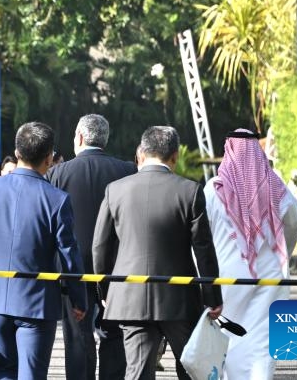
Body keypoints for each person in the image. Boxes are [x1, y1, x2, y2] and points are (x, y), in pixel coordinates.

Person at [93, 126, 222, 380]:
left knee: (138, 371)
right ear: (174, 156)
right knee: (191, 368)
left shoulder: (115, 190)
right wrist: (212, 295)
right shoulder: (189, 191)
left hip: (130, 297)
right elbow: (203, 248)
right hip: (179, 299)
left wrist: (106, 290)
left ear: (142, 152)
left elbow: (100, 246)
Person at [0, 122, 87, 379]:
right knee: (32, 373)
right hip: (36, 302)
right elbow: (68, 253)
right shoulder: (57, 199)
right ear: (49, 158)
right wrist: (78, 298)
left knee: (2, 370)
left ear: (17, 152)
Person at [203, 130, 297, 379]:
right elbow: (293, 224)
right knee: (263, 341)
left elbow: (203, 235)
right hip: (271, 276)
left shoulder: (213, 190)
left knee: (228, 335)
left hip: (228, 276)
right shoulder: (277, 188)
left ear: (229, 150)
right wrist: (282, 251)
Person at [47, 114, 136, 380]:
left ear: (80, 137)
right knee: (115, 334)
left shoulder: (58, 173)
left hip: (73, 269)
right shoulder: (127, 171)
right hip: (118, 268)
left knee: (77, 337)